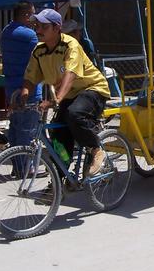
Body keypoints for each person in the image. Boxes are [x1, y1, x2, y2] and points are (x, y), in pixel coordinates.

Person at [19, 9, 110, 177]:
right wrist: (23, 96)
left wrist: (57, 99)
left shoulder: (70, 45)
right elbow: (30, 77)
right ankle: (60, 180)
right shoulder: (39, 50)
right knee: (58, 136)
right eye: (37, 26)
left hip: (92, 89)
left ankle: (95, 149)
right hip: (69, 95)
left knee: (74, 114)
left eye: (44, 27)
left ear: (57, 28)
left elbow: (70, 74)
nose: (38, 30)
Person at [0, 1, 41, 106]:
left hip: (10, 90)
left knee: (16, 121)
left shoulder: (5, 32)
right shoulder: (30, 35)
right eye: (33, 14)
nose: (35, 19)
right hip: (29, 91)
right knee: (30, 121)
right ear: (27, 16)